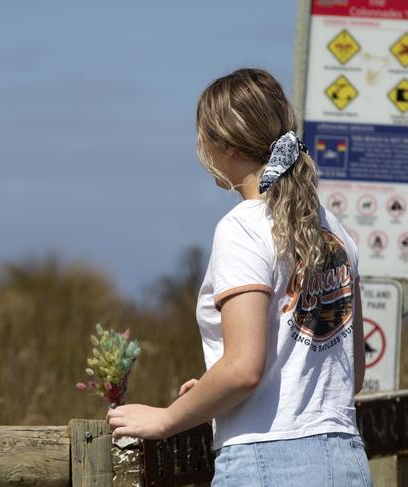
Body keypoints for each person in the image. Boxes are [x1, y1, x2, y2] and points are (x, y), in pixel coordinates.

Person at [106, 67, 373, 486]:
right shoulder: (336, 231)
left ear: (222, 144)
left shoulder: (243, 227)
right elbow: (350, 373)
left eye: (202, 137)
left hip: (267, 461)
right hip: (345, 458)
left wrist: (165, 421)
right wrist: (216, 386)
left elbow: (245, 370)